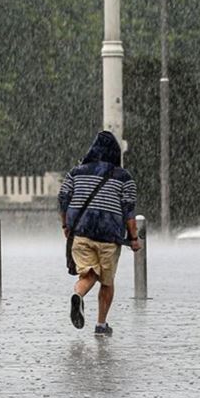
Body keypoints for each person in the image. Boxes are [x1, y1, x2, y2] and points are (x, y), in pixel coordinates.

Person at [58, 131, 140, 336]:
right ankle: (101, 325)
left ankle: (78, 294)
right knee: (107, 281)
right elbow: (128, 211)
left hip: (82, 232)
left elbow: (63, 198)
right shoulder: (124, 177)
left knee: (89, 273)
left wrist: (65, 225)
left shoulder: (76, 173)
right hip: (109, 237)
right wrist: (134, 238)